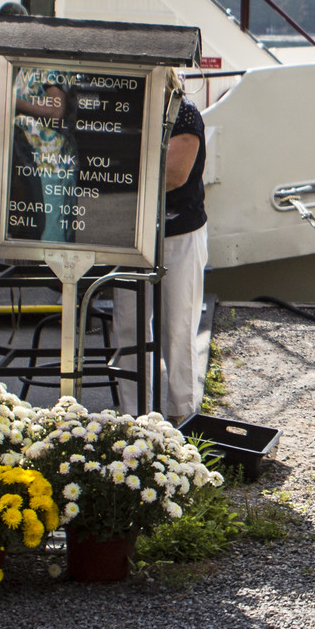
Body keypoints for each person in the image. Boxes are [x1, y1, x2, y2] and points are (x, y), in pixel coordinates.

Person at [116, 85, 209, 423]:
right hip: (129, 232)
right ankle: (133, 418)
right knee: (129, 327)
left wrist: (117, 170)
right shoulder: (121, 107)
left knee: (178, 327)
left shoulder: (184, 113)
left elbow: (174, 175)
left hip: (180, 232)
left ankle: (184, 418)